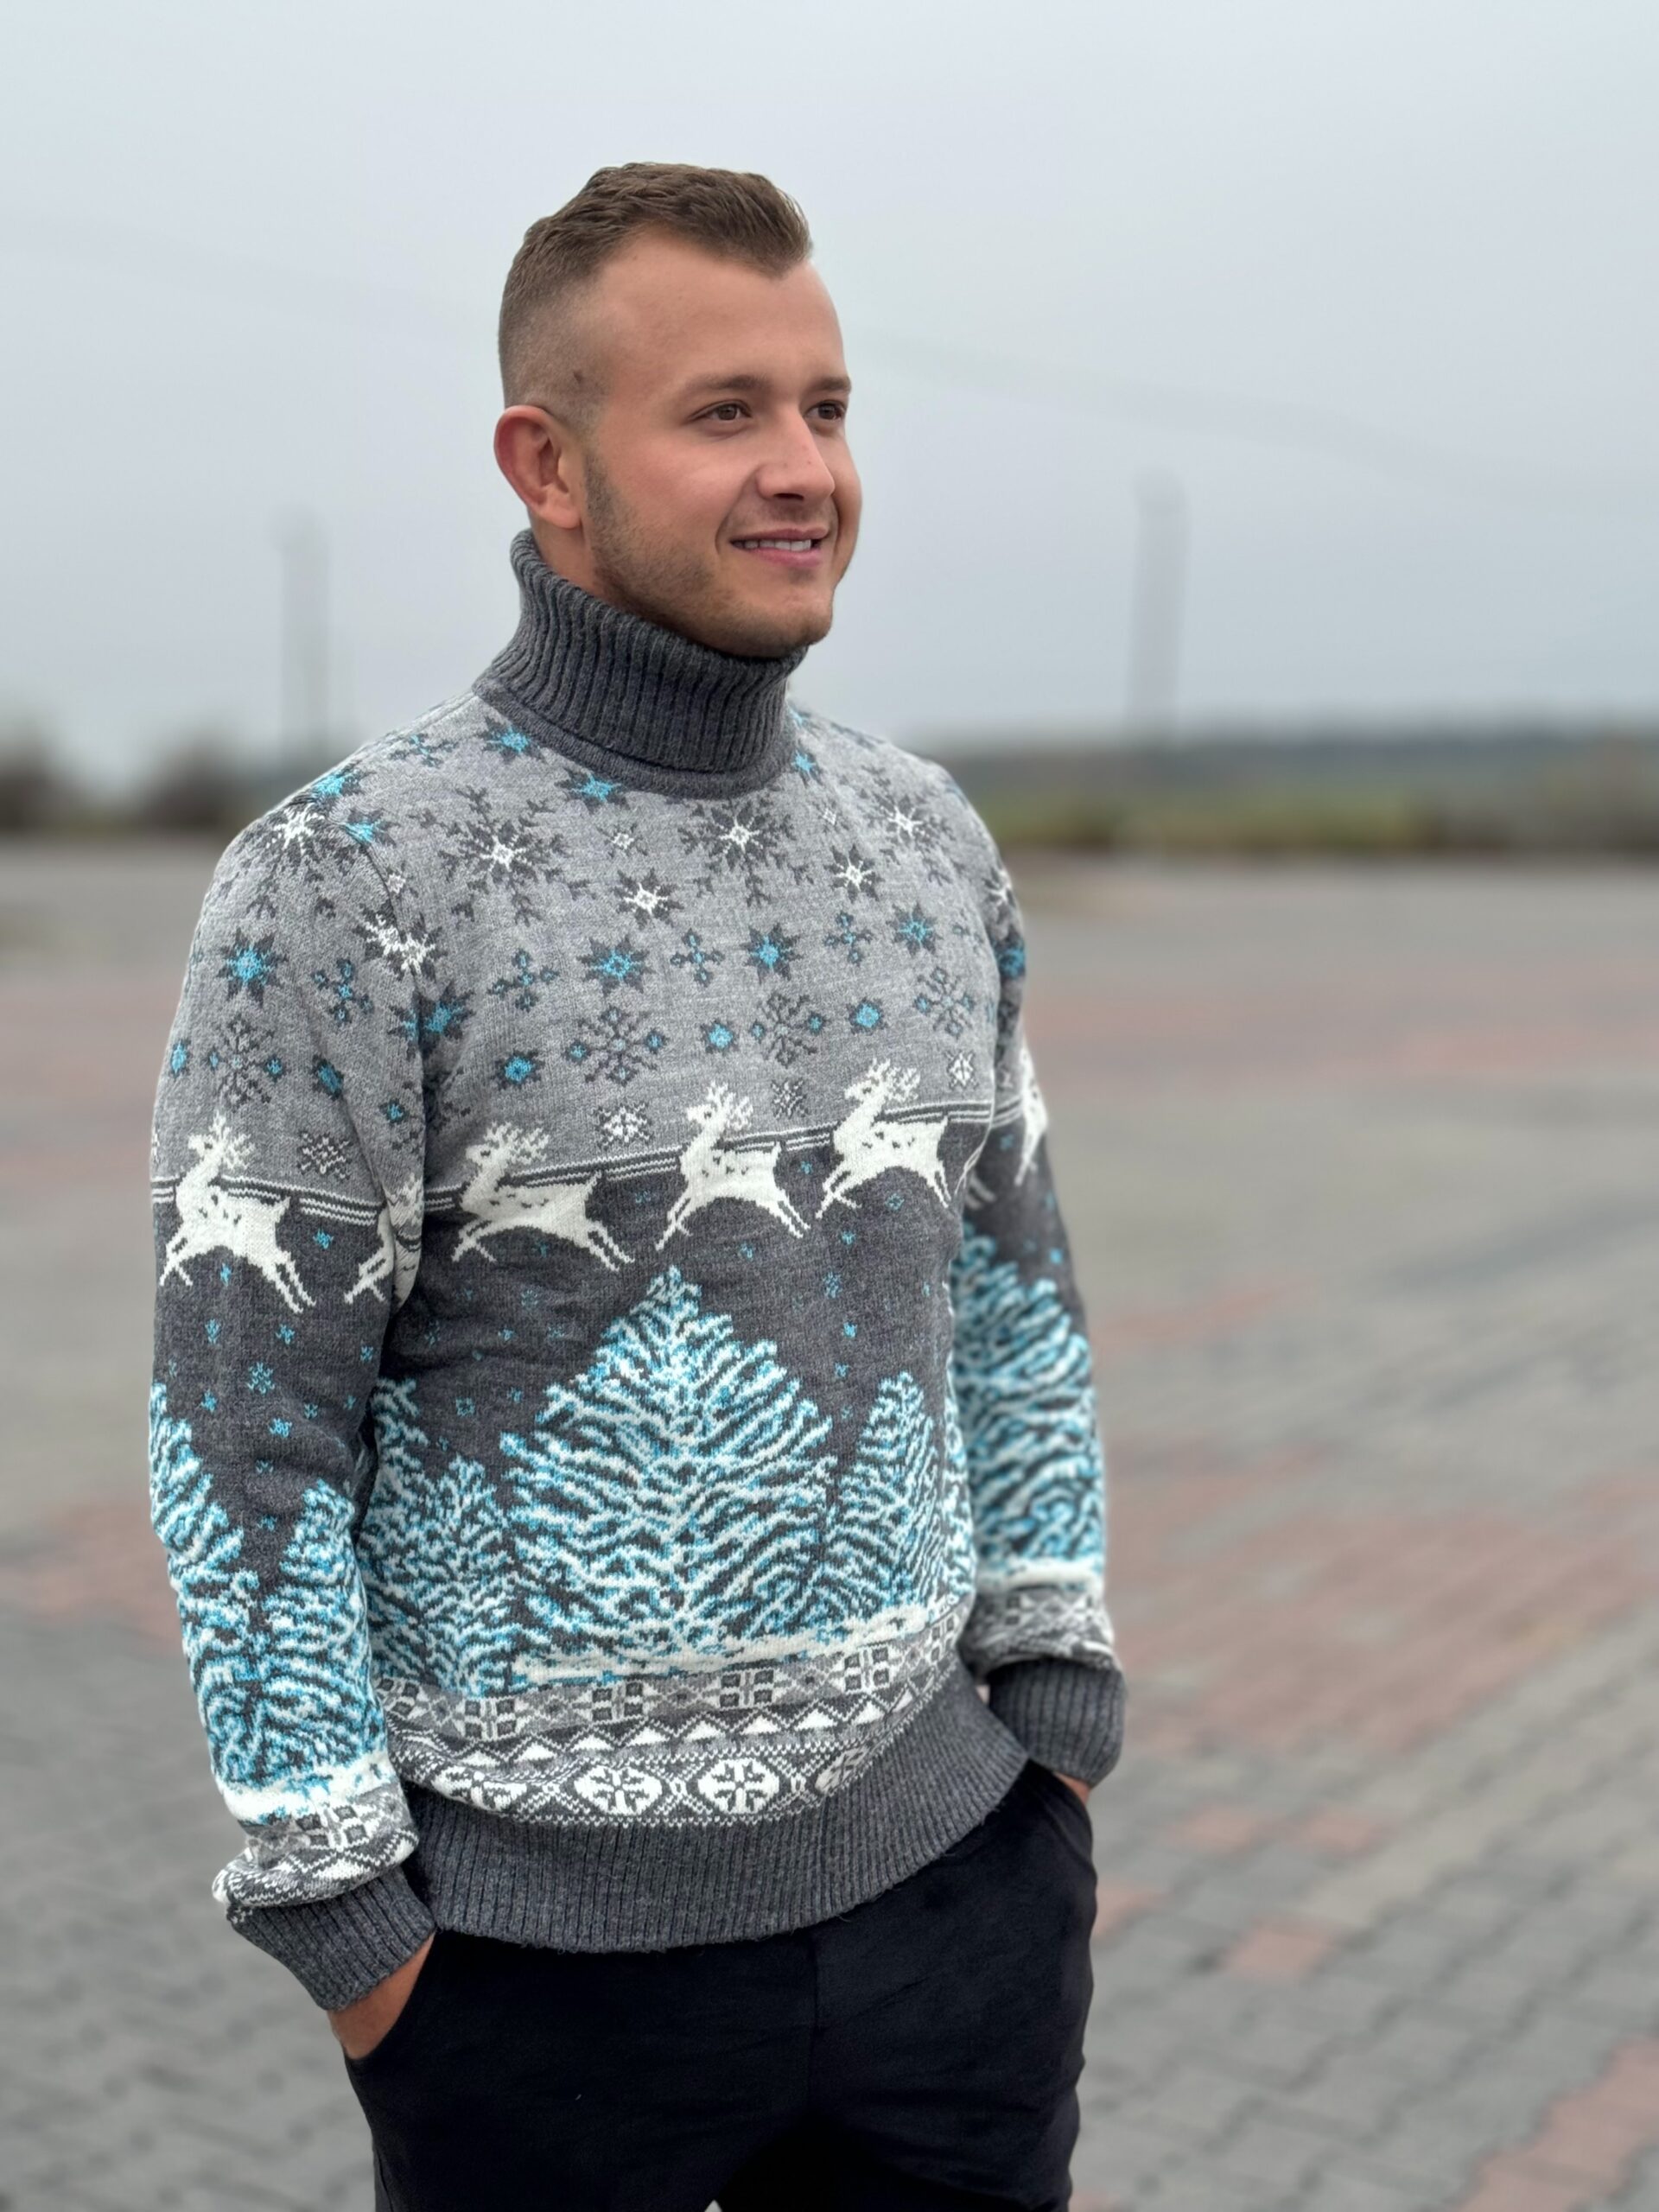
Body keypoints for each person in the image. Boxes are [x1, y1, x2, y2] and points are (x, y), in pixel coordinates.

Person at [148, 159, 1124, 2211]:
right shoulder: (344, 881)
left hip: (958, 1906)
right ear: (548, 464)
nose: (805, 469)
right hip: (533, 1995)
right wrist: (356, 1931)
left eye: (827, 406)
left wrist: (1051, 1728)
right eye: (725, 412)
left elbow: (1014, 1297)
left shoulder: (926, 839)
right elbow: (247, 1437)